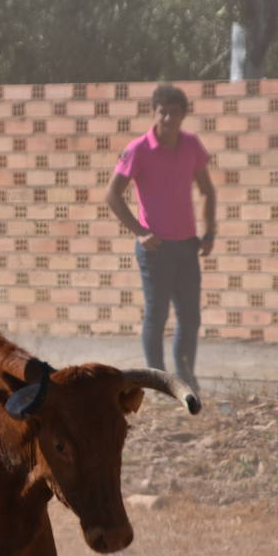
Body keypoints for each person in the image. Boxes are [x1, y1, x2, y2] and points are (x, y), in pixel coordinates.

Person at [105, 83, 216, 393]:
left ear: (183, 115)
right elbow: (112, 194)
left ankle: (185, 378)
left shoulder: (192, 146)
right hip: (155, 249)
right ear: (154, 113)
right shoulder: (138, 149)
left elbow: (208, 191)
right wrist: (140, 232)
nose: (167, 119)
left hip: (186, 245)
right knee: (157, 315)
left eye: (174, 113)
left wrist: (209, 233)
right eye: (162, 112)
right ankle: (156, 382)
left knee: (190, 317)